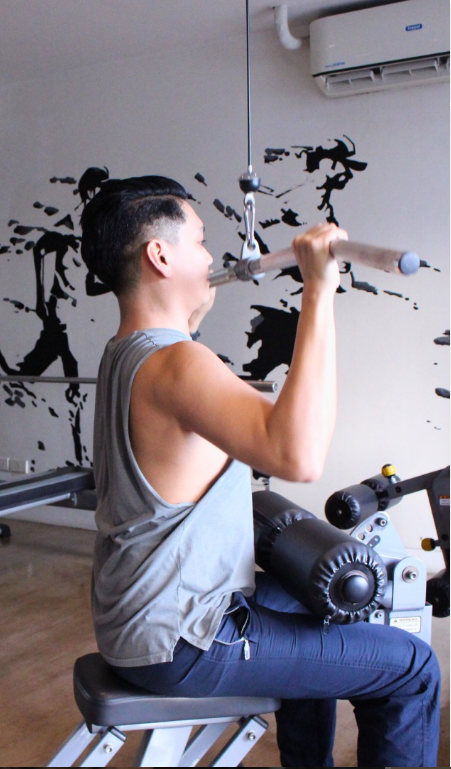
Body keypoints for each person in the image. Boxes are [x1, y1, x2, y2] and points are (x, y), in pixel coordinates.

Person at [79, 176, 440, 767]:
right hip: (185, 640)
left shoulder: (126, 353)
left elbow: (274, 424)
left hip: (142, 624)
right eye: (199, 242)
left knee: (310, 605)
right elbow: (299, 457)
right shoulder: (177, 363)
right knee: (412, 668)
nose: (213, 258)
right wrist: (318, 291)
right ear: (160, 256)